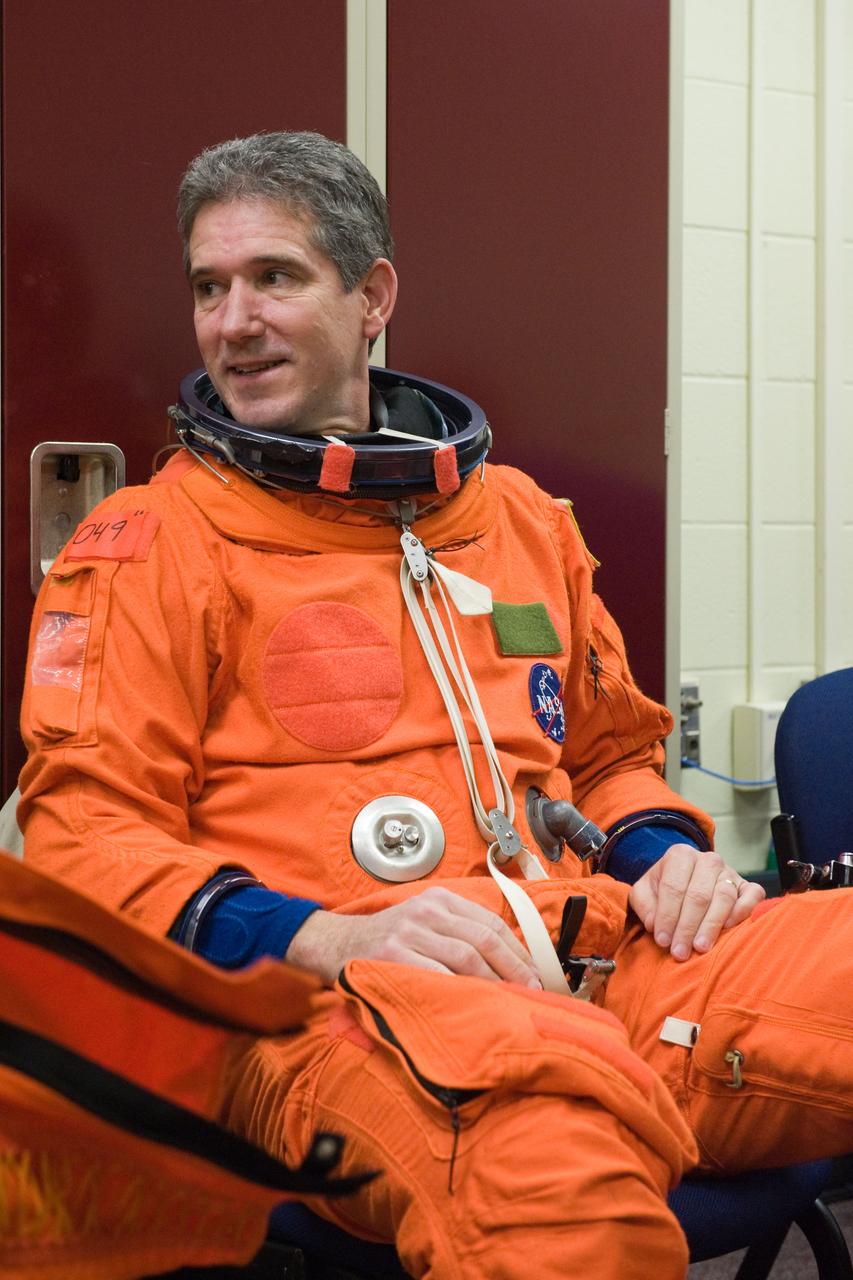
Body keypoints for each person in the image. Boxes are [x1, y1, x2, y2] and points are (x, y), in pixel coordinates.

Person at [17, 131, 853, 1280]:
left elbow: (609, 755)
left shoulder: (517, 520)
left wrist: (665, 858)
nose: (233, 321)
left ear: (372, 298)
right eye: (209, 288)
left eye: (274, 277)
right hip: (327, 1004)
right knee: (560, 1188)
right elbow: (82, 843)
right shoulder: (151, 548)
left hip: (595, 952)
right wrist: (335, 934)